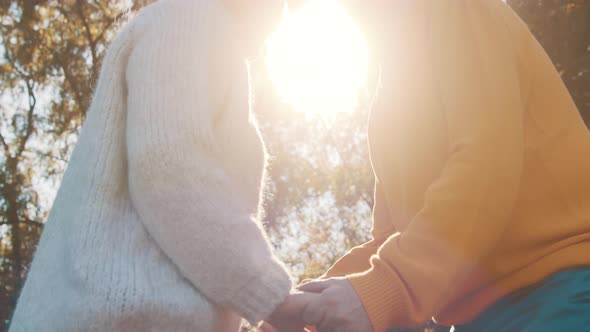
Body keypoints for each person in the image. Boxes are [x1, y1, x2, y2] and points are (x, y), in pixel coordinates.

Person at [269, 0, 590, 331]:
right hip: (474, 320)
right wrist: (303, 308)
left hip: (562, 288)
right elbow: (393, 242)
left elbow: (485, 168)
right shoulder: (386, 108)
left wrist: (392, 285)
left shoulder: (457, 8)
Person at [9, 0, 315, 331]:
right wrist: (272, 298)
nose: (284, 10)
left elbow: (161, 247)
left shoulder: (201, 36)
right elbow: (168, 170)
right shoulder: (188, 19)